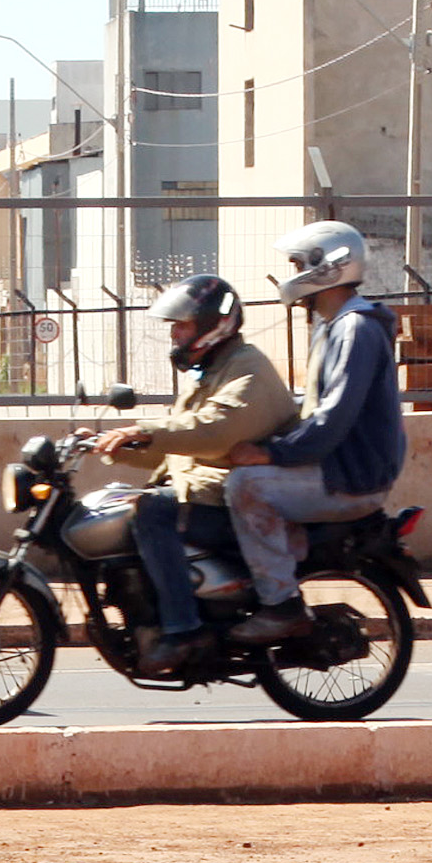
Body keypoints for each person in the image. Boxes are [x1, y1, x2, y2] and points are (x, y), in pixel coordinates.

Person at [86, 274, 292, 676]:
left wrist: (143, 431)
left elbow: (212, 432)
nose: (175, 336)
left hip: (237, 502)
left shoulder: (247, 370)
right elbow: (179, 448)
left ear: (213, 326)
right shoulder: (214, 372)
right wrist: (113, 443)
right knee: (117, 501)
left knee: (151, 511)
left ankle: (183, 630)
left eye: (182, 326)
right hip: (210, 492)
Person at [219, 221, 407, 635]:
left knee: (245, 486)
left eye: (297, 263)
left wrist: (272, 453)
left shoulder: (354, 328)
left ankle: (280, 603)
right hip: (335, 467)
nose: (291, 273)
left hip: (350, 477)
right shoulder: (333, 324)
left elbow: (333, 417)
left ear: (328, 266)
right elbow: (312, 410)